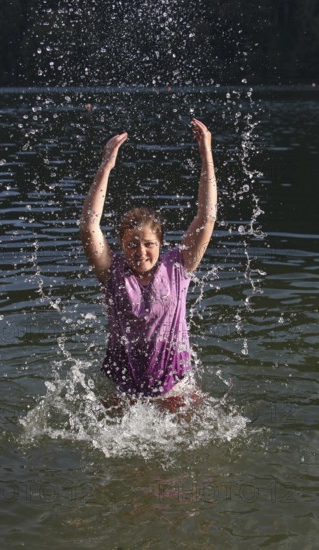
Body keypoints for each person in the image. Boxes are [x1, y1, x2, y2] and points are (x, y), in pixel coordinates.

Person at [80, 119, 217, 400]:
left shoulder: (178, 266)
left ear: (160, 244)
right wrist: (106, 166)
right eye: (131, 244)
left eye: (148, 244)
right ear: (120, 244)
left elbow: (207, 216)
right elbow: (89, 226)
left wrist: (206, 154)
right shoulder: (112, 271)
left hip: (174, 383)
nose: (140, 252)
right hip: (121, 384)